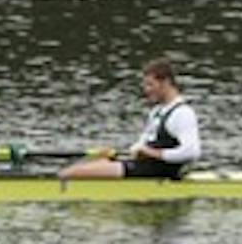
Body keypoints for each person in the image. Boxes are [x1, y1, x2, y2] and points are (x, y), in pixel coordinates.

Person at [61, 58, 200, 180]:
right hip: (142, 167)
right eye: (145, 85)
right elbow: (143, 144)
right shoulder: (157, 111)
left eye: (150, 85)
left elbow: (191, 152)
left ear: (166, 82)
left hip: (160, 172)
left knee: (69, 173)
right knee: (95, 162)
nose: (146, 90)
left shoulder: (182, 114)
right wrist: (132, 151)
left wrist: (150, 152)